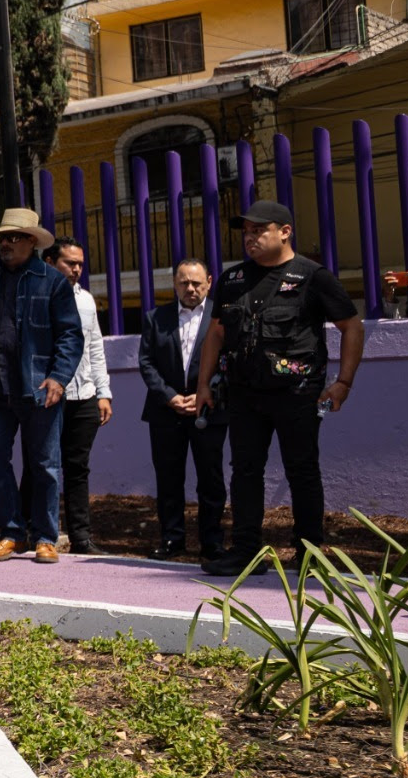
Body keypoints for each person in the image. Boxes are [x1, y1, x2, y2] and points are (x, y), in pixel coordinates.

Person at [191, 200, 366, 576]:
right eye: (246, 232)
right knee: (244, 471)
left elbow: (352, 326)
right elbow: (216, 334)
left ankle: (309, 555)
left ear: (285, 232)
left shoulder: (313, 277)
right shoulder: (233, 279)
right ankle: (246, 553)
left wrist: (343, 383)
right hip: (244, 393)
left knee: (302, 471)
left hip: (297, 393)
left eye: (259, 230)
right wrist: (203, 384)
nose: (250, 238)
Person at [0, 207, 81, 564]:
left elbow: (70, 335)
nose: (6, 244)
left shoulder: (53, 281)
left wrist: (59, 377)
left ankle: (45, 536)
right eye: (2, 238)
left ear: (32, 241)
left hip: (40, 389)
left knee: (45, 464)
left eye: (14, 238)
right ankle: (11, 532)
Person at [140, 258, 228, 561]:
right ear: (174, 284)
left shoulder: (222, 317)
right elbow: (146, 362)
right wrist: (169, 397)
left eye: (196, 283)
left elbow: (227, 361)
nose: (190, 288)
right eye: (183, 283)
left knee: (211, 479)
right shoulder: (156, 318)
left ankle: (212, 542)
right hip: (166, 412)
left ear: (209, 282)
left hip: (209, 410)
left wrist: (207, 390)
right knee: (168, 479)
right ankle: (172, 539)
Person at [49, 236, 114, 555]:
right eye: (69, 263)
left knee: (77, 467)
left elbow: (96, 348)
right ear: (51, 263)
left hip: (84, 394)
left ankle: (81, 537)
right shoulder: (41, 296)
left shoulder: (87, 300)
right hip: (50, 395)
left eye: (80, 265)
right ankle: (38, 532)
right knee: (43, 465)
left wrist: (103, 392)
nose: (76, 269)